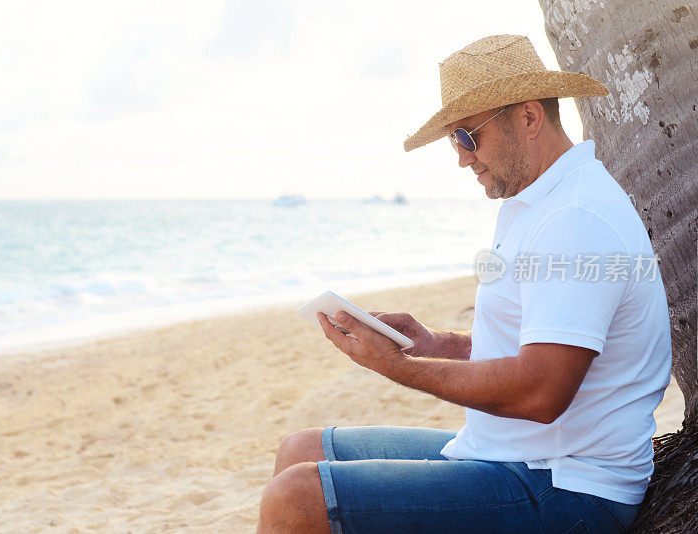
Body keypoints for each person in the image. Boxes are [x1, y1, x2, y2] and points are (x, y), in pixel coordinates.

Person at [256, 34, 672, 534]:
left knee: (296, 499)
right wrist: (436, 344)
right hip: (513, 456)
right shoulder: (536, 202)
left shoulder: (575, 219)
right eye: (455, 139)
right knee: (300, 450)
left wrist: (398, 367)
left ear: (529, 117)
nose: (461, 157)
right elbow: (543, 343)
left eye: (468, 137)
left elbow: (542, 392)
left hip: (566, 486)